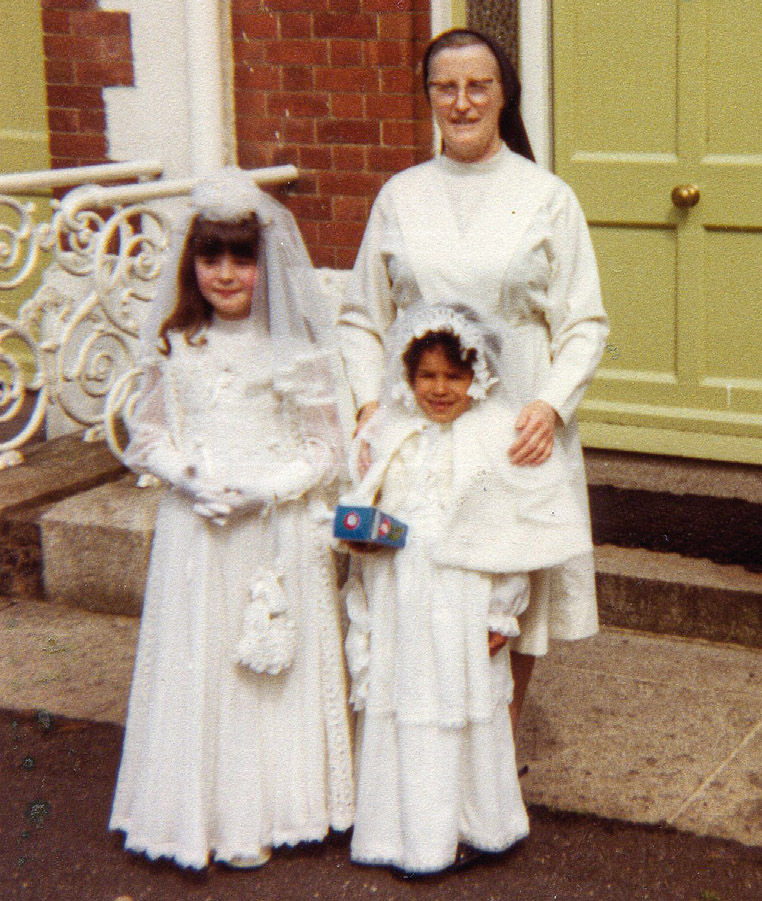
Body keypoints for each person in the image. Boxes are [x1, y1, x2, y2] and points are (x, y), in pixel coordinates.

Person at [338, 28, 609, 729]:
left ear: (503, 94)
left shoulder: (547, 196)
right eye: (445, 87)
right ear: (428, 97)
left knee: (511, 582)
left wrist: (550, 406)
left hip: (519, 414)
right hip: (423, 415)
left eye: (478, 86)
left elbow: (585, 322)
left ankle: (496, 754)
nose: (462, 102)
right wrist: (370, 405)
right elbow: (362, 317)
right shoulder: (400, 197)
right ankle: (424, 748)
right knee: (428, 576)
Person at [109, 168, 354, 870]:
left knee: (265, 669)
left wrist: (264, 491)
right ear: (192, 264)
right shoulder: (179, 343)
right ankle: (199, 811)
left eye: (240, 259)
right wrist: (187, 475)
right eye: (210, 258)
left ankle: (274, 809)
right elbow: (146, 433)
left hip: (267, 529)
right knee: (204, 661)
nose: (225, 273)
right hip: (198, 529)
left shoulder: (293, 350)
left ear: (262, 263)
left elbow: (325, 449)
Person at [341, 302, 592, 876]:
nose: (439, 388)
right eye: (426, 376)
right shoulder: (391, 433)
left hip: (463, 599)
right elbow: (367, 503)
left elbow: (512, 541)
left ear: (476, 377)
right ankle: (397, 829)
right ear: (407, 377)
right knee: (406, 702)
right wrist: (363, 540)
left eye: (453, 376)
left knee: (462, 703)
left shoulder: (493, 437)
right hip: (402, 591)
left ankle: (474, 822)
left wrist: (502, 615)